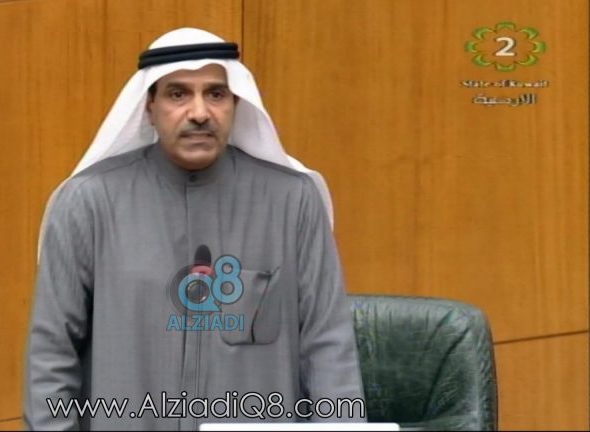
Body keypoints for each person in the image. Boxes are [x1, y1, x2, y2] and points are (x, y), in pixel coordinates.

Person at [23, 27, 366, 431]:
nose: (200, 112)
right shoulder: (88, 203)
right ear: (149, 106)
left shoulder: (293, 201)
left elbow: (328, 348)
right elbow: (52, 354)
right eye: (178, 94)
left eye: (215, 94)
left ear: (235, 103)